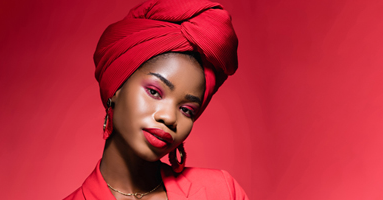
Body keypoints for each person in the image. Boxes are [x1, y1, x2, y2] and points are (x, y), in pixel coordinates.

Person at [64, 0, 248, 199]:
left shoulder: (221, 191)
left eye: (186, 110)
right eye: (154, 92)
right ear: (116, 88)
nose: (169, 118)